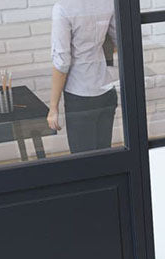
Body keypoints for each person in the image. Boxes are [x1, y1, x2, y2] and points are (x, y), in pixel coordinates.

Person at [48, 0, 118, 153]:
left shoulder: (62, 8)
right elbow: (119, 40)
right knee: (105, 157)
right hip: (106, 90)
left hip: (79, 96)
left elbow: (61, 62)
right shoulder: (108, 3)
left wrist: (53, 107)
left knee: (83, 162)